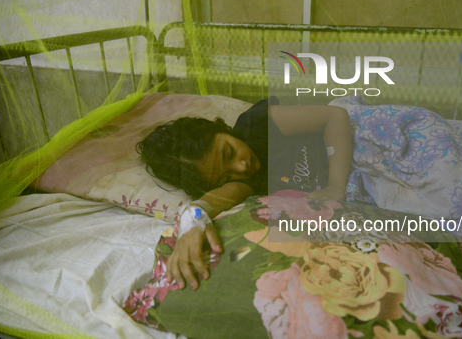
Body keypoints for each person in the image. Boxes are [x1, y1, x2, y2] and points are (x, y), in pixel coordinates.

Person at [136, 97, 352, 290]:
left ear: (220, 127)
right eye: (225, 178)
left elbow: (334, 116)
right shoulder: (247, 182)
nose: (240, 168)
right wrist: (192, 220)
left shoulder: (256, 124)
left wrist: (335, 186)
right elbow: (206, 205)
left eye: (229, 152)